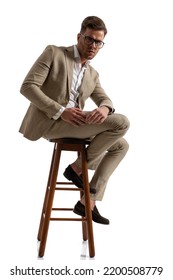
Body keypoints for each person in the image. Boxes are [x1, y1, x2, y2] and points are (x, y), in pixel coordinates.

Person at [19, 16, 130, 225]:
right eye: (89, 39)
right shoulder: (55, 53)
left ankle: (89, 201)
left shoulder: (92, 73)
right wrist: (61, 111)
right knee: (122, 122)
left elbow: (104, 98)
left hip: (75, 123)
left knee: (121, 146)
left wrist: (105, 108)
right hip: (51, 122)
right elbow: (28, 86)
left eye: (99, 42)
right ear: (79, 37)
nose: (93, 46)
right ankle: (77, 168)